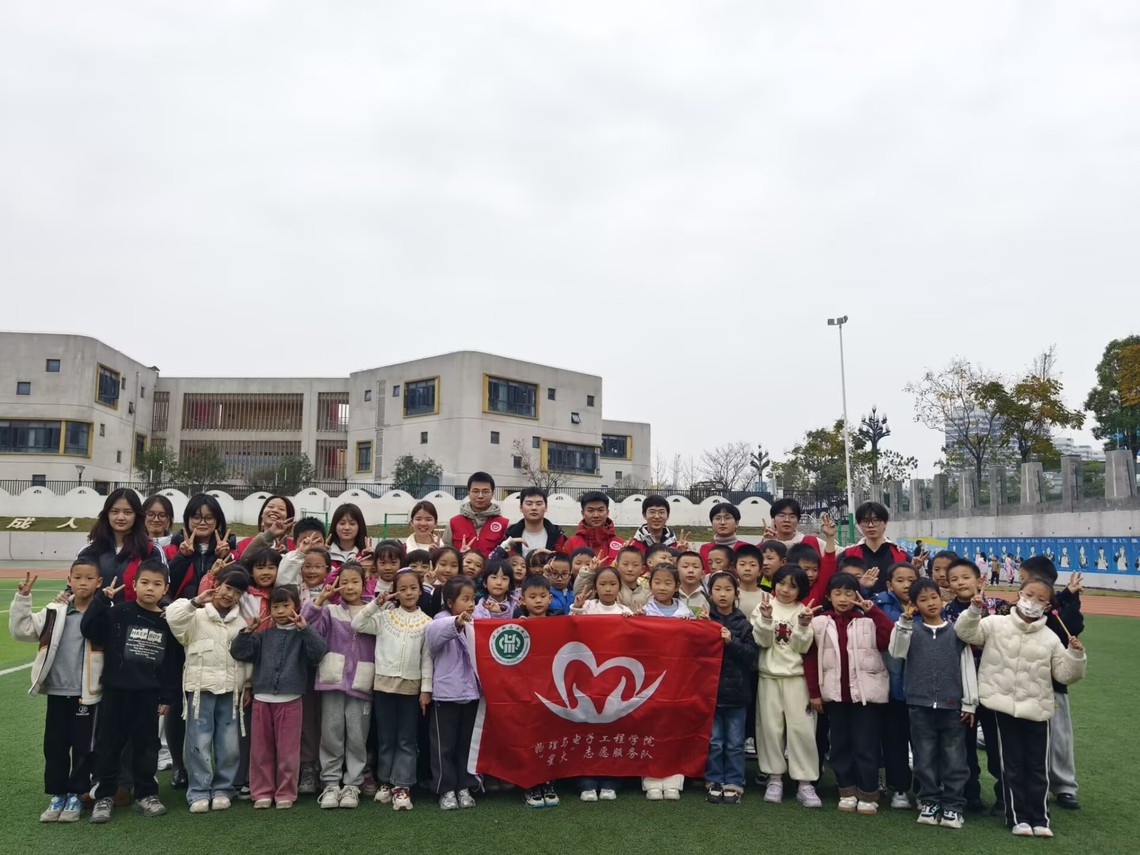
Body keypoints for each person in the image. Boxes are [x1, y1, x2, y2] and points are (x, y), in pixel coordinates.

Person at [955, 574, 1086, 838]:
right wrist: (974, 610)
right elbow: (966, 633)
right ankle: (1017, 817)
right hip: (1001, 706)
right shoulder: (995, 623)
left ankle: (1040, 818)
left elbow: (1064, 675)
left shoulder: (1050, 637)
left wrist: (1075, 654)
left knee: (1037, 766)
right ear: (1019, 595)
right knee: (1011, 764)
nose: (1032, 602)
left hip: (1038, 710)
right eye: (1029, 595)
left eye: (1040, 599)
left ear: (1048, 606)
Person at [81, 558, 179, 823]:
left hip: (148, 695)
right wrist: (101, 601)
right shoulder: (118, 613)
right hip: (116, 692)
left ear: (165, 588)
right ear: (134, 585)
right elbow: (89, 630)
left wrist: (168, 695)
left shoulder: (167, 621)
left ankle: (146, 793)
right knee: (108, 745)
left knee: (147, 746)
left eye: (157, 584)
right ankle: (104, 795)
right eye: (144, 582)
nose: (150, 588)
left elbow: (171, 662)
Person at [10, 562, 103, 824]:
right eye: (77, 577)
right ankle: (57, 793)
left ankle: (76, 794)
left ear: (99, 582)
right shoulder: (55, 610)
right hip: (57, 691)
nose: (82, 582)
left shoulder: (101, 613)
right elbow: (22, 630)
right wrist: (23, 598)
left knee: (83, 747)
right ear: (69, 579)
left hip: (86, 693)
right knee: (55, 745)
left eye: (89, 578)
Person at [888, 578, 977, 830]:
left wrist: (970, 703)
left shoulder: (956, 632)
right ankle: (929, 801)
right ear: (915, 605)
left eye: (934, 597)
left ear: (942, 598)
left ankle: (953, 805)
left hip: (953, 707)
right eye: (923, 600)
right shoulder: (910, 629)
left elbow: (967, 668)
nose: (930, 603)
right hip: (919, 705)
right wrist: (903, 623)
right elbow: (896, 652)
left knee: (955, 759)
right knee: (924, 757)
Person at [230, 587, 327, 810]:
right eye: (276, 606)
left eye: (286, 606)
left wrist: (305, 629)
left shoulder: (302, 634)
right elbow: (239, 652)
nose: (281, 611)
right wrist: (247, 631)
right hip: (262, 699)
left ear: (296, 607)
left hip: (291, 700)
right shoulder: (263, 635)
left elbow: (318, 652)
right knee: (260, 750)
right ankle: (262, 792)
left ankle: (285, 792)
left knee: (288, 752)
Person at [164, 567, 252, 813]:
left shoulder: (241, 623)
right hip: (200, 690)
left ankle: (224, 789)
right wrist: (196, 601)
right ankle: (199, 791)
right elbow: (172, 618)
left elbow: (246, 659)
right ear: (217, 584)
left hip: (230, 692)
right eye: (227, 588)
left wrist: (247, 686)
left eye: (237, 592)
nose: (230, 595)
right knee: (198, 742)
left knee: (229, 744)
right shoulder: (196, 615)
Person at [804, 574, 893, 814]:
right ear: (829, 596)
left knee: (866, 745)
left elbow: (888, 639)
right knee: (840, 745)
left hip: (864, 696)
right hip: (834, 696)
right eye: (837, 593)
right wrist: (814, 693)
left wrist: (874, 612)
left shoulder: (867, 621)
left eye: (848, 593)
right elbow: (810, 658)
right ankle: (846, 789)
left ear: (857, 595)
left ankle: (868, 792)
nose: (843, 599)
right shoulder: (819, 622)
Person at [352, 569, 432, 812]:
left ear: (420, 591)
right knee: (386, 738)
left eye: (413, 588)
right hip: (383, 687)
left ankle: (402, 785)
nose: (408, 593)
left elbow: (427, 659)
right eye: (403, 589)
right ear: (395, 592)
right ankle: (385, 781)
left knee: (406, 739)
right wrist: (377, 603)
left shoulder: (427, 622)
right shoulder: (385, 617)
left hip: (411, 689)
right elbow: (358, 623)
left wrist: (426, 689)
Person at [301, 563, 375, 810]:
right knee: (331, 733)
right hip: (332, 680)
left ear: (364, 583)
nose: (350, 587)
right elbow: (307, 624)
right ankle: (331, 783)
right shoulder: (330, 611)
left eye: (355, 581)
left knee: (357, 735)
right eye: (344, 582)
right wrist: (319, 600)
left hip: (362, 681)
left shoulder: (374, 611)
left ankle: (353, 783)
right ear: (337, 584)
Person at [752, 568, 822, 809]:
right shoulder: (763, 606)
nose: (785, 590)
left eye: (792, 586)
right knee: (770, 729)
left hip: (797, 679)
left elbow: (803, 647)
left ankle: (805, 783)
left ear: (800, 590)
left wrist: (802, 625)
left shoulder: (804, 611)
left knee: (802, 729)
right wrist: (766, 619)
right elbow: (761, 642)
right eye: (781, 583)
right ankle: (774, 779)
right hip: (768, 677)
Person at [1020, 558, 1085, 812]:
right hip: (1025, 684)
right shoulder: (1022, 607)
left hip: (1053, 685)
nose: (1024, 587)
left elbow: (1072, 625)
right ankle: (1038, 785)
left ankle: (1065, 786)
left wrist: (1071, 597)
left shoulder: (1059, 608)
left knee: (1059, 739)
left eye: (1024, 578)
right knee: (1030, 740)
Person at [943, 557, 1006, 812]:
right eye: (954, 579)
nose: (960, 583)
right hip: (962, 689)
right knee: (964, 746)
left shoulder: (999, 607)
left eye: (966, 577)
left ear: (979, 580)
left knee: (998, 745)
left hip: (995, 686)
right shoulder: (946, 611)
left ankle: (1005, 797)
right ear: (948, 585)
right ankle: (971, 796)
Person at [426, 577, 481, 810]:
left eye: (473, 599)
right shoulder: (439, 621)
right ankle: (446, 789)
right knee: (443, 746)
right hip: (446, 696)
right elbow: (434, 636)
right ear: (450, 602)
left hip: (472, 695)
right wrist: (456, 622)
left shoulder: (476, 622)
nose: (471, 604)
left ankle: (465, 786)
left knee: (466, 744)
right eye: (465, 599)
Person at [705, 571, 758, 805]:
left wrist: (731, 641)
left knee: (736, 743)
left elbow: (751, 656)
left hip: (737, 694)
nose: (722, 594)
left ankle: (735, 781)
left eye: (728, 589)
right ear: (710, 593)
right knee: (715, 741)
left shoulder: (744, 624)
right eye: (717, 589)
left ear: (736, 594)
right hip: (711, 693)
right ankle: (713, 779)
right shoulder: (704, 621)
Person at [637, 564, 689, 801]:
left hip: (678, 680)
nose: (662, 587)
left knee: (675, 729)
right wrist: (634, 621)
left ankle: (674, 780)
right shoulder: (643, 612)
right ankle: (651, 780)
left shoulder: (686, 613)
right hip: (651, 680)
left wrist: (696, 624)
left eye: (668, 583)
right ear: (650, 584)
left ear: (677, 586)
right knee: (651, 729)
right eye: (657, 582)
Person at [873, 562, 918, 809]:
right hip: (892, 686)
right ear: (890, 585)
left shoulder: (927, 604)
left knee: (923, 742)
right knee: (894, 740)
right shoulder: (880, 605)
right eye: (900, 580)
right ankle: (898, 788)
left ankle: (924, 789)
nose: (907, 585)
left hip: (921, 688)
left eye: (912, 580)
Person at [77, 488, 166, 599]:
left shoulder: (151, 550)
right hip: (97, 610)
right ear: (107, 514)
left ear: (137, 515)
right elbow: (74, 587)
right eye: (115, 511)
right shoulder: (89, 550)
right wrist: (65, 596)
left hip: (134, 610)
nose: (120, 517)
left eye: (128, 512)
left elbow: (163, 590)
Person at [840, 502, 908, 595]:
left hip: (894, 603)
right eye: (865, 521)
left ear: (885, 523)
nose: (870, 525)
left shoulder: (900, 554)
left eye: (876, 520)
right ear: (859, 524)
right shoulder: (848, 554)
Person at [492, 487, 567, 558]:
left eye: (539, 504)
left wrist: (552, 556)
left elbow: (566, 563)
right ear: (521, 507)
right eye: (529, 504)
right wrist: (506, 545)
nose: (534, 508)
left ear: (546, 507)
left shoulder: (558, 537)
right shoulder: (509, 536)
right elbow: (494, 561)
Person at [447, 472, 509, 556]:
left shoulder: (504, 524)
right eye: (475, 491)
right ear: (468, 493)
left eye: (485, 492)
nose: (480, 496)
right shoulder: (453, 523)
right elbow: (445, 554)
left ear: (492, 494)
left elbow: (509, 557)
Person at [563, 491, 625, 565]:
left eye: (600, 510)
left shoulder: (621, 545)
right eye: (590, 511)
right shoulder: (571, 544)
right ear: (583, 513)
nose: (596, 515)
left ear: (607, 512)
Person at [234, 495, 295, 560]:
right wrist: (270, 534)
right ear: (262, 515)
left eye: (281, 509)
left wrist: (286, 555)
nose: (275, 510)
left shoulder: (295, 546)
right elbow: (243, 562)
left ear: (288, 518)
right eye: (270, 507)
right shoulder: (244, 544)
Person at [277, 518, 328, 590]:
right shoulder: (286, 562)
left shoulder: (330, 569)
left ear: (325, 544)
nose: (311, 545)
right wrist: (300, 554)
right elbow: (282, 586)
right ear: (294, 544)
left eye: (317, 541)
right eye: (305, 541)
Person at [699, 503, 742, 570]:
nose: (722, 522)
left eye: (727, 518)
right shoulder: (704, 549)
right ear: (712, 524)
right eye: (717, 518)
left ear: (737, 523)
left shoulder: (746, 548)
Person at [327, 503, 368, 570]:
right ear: (335, 525)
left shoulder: (365, 555)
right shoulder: (326, 554)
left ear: (360, 526)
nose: (347, 528)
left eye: (352, 524)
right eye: (342, 523)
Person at [612, 547, 649, 611]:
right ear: (617, 566)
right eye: (625, 564)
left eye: (635, 565)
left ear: (642, 569)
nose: (630, 569)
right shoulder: (612, 590)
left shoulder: (648, 594)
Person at [676, 551, 710, 615]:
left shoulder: (709, 600)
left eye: (695, 567)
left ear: (702, 574)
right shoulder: (671, 597)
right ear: (677, 572)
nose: (691, 570)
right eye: (685, 566)